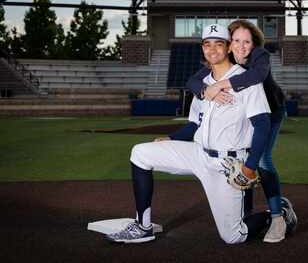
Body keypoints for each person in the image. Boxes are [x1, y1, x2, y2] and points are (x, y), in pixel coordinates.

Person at [106, 24, 291, 244]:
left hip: (228, 163)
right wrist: (172, 138)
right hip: (198, 154)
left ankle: (278, 214)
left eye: (219, 44)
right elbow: (195, 124)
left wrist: (249, 167)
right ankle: (143, 226)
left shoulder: (248, 80)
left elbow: (262, 126)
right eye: (207, 44)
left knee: (233, 236)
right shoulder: (201, 84)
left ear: (229, 47)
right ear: (202, 48)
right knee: (140, 153)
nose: (212, 49)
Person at [186, 19, 297, 243]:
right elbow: (192, 81)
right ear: (229, 42)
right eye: (236, 40)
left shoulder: (259, 56)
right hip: (243, 115)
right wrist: (208, 90)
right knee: (241, 158)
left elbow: (256, 76)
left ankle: (278, 216)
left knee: (262, 160)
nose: (241, 46)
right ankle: (245, 214)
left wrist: (220, 85)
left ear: (254, 42)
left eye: (247, 41)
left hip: (270, 112)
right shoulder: (226, 58)